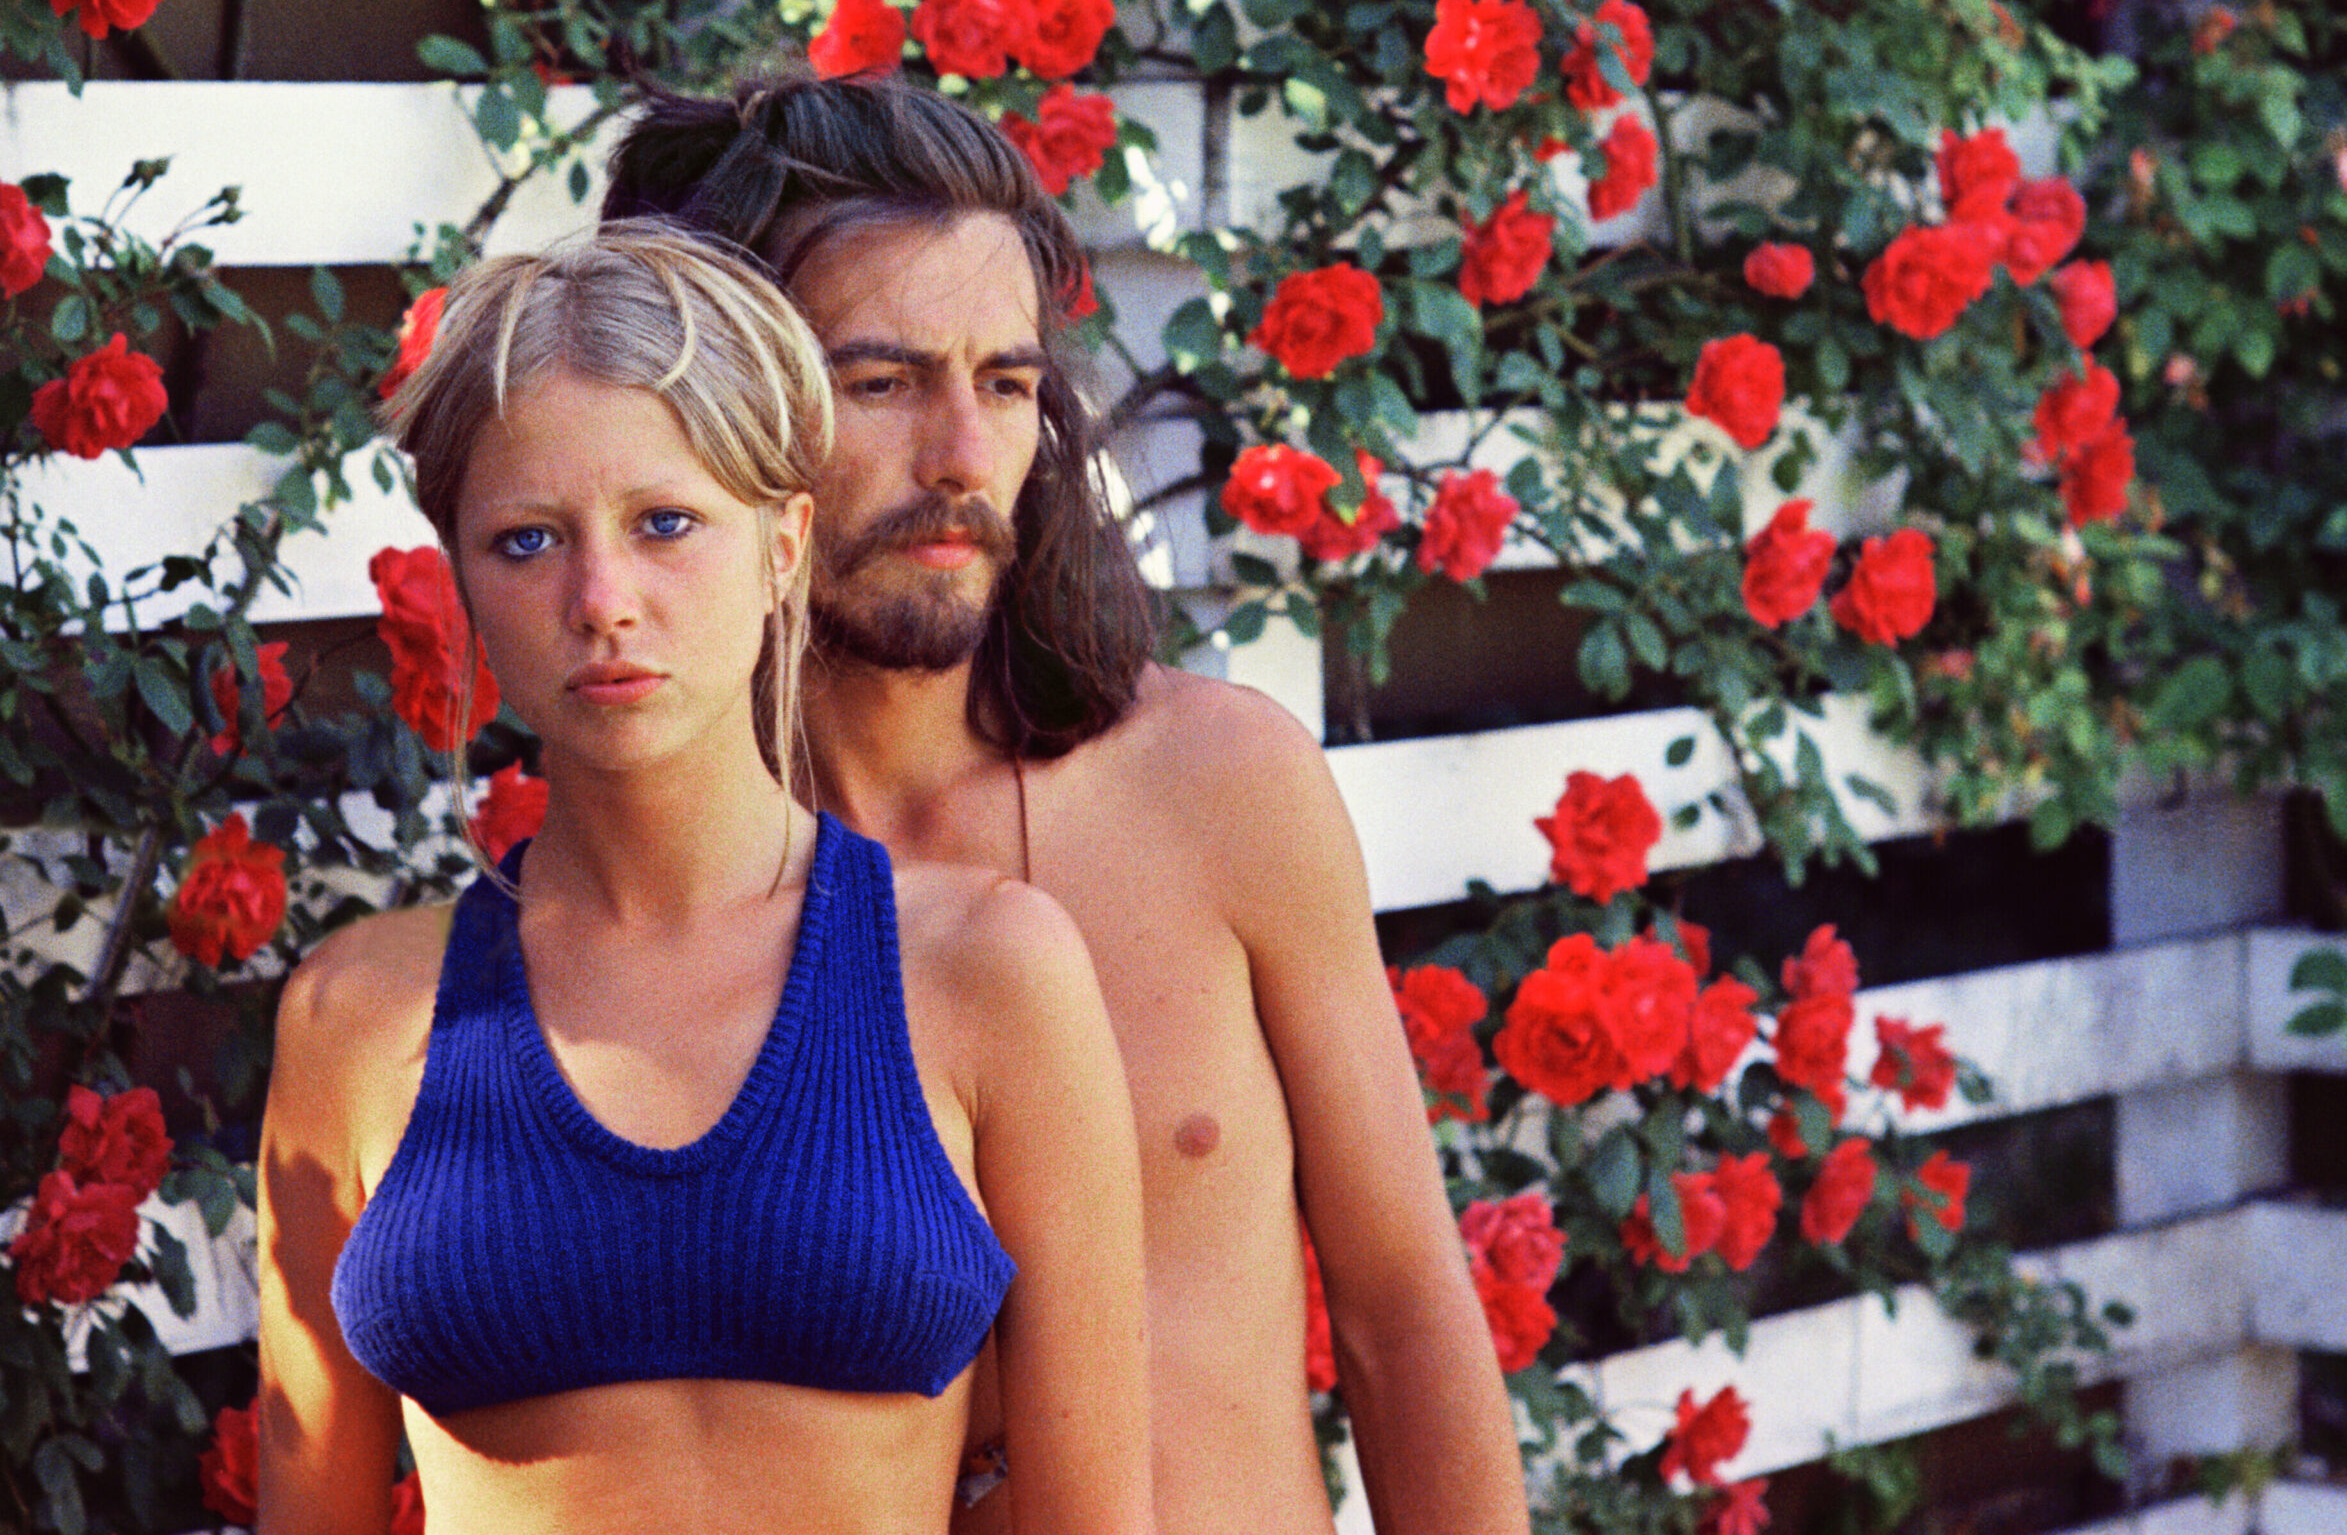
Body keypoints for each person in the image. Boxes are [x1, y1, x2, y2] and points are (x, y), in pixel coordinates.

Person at [602, 77, 1529, 1535]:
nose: (965, 456)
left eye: (1011, 383)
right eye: (883, 381)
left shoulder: (1219, 788)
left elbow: (1406, 1317)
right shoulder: (650, 898)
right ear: (713, 413)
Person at [255, 224, 1153, 1535]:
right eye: (526, 540)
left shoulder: (986, 970)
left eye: (666, 523)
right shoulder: (355, 1018)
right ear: (461, 580)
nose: (604, 596)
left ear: (784, 544)